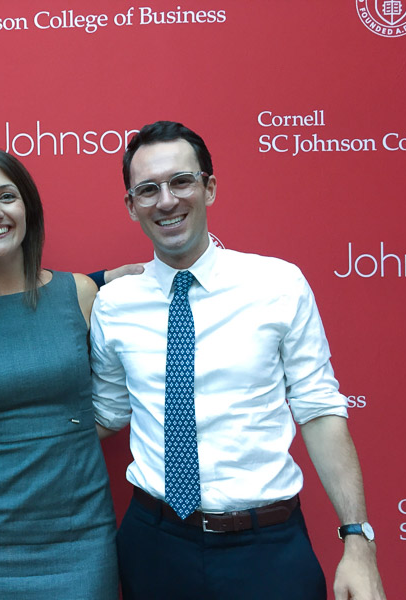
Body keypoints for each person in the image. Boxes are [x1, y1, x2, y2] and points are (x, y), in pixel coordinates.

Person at [90, 121, 386, 600]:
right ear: (131, 206)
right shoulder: (114, 303)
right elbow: (106, 413)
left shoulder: (278, 285)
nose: (166, 201)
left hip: (267, 549)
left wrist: (358, 540)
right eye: (148, 189)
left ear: (208, 187)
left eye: (181, 181)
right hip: (154, 546)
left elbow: (318, 410)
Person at [0, 148, 119, 599]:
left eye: (6, 196)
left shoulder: (80, 292)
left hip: (84, 532)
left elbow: (114, 400)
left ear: (28, 207)